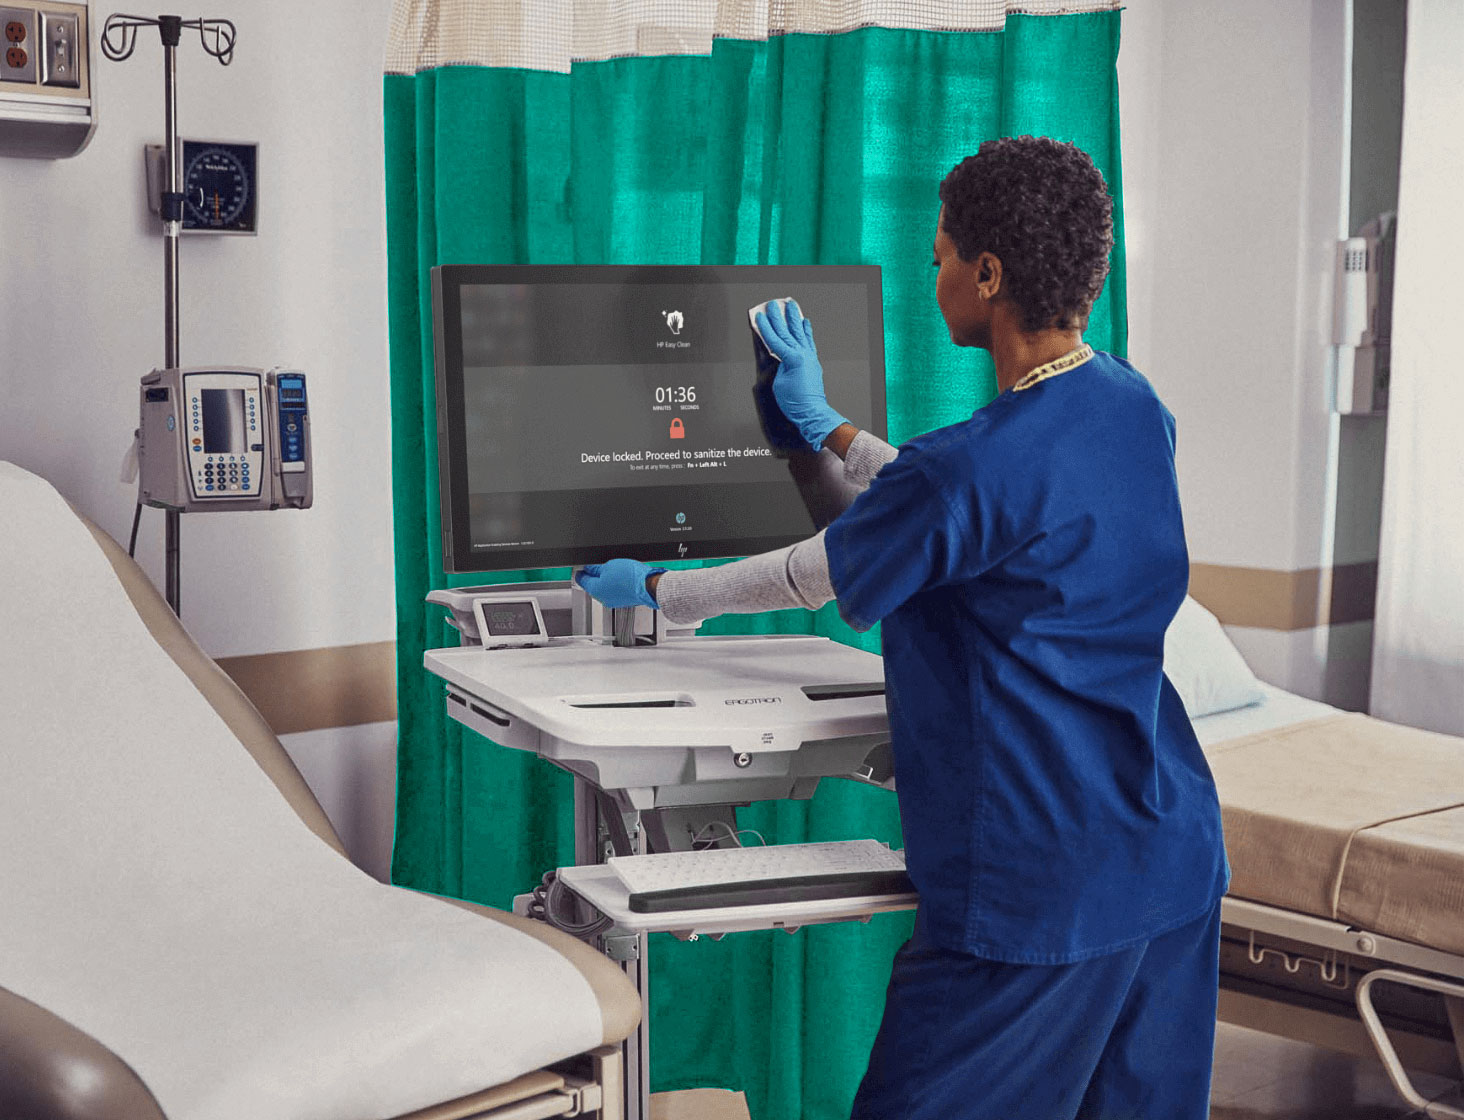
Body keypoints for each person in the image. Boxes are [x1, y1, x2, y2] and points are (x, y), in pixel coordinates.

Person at [576, 135, 1229, 1120]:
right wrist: (832, 429)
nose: (935, 274)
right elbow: (977, 503)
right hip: (1169, 857)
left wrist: (662, 589)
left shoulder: (967, 466)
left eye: (937, 256)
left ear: (988, 272)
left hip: (1037, 883)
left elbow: (813, 572)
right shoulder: (1136, 409)